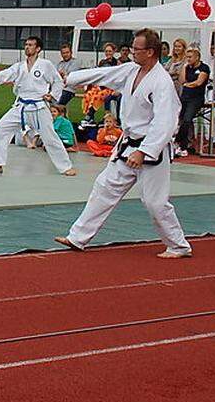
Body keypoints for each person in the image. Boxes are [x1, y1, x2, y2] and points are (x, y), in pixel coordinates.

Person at [55, 28, 192, 258]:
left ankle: (178, 245)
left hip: (150, 149)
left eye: (136, 49)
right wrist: (71, 79)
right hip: (126, 144)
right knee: (104, 187)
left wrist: (144, 151)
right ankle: (77, 237)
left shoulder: (161, 82)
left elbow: (165, 122)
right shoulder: (131, 70)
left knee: (154, 203)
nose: (131, 52)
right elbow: (103, 75)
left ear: (150, 52)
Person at [0, 35, 77, 177]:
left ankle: (66, 167)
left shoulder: (45, 65)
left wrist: (52, 95)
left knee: (50, 137)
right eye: (26, 44)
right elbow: (7, 74)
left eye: (31, 45)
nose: (27, 47)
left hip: (39, 106)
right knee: (0, 129)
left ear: (38, 48)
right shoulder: (19, 66)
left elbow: (58, 81)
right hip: (21, 106)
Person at [174, 46, 210, 156]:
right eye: (187, 57)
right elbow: (182, 80)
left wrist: (188, 85)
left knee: (187, 119)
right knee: (180, 120)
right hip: (185, 97)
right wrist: (184, 68)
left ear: (197, 57)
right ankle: (182, 145)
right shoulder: (187, 67)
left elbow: (198, 82)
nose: (188, 59)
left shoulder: (204, 68)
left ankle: (179, 143)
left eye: (190, 57)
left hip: (196, 98)